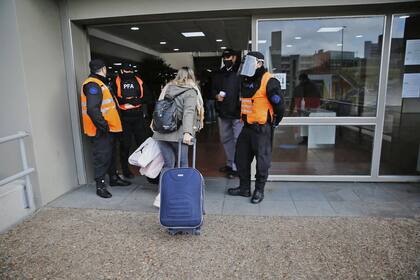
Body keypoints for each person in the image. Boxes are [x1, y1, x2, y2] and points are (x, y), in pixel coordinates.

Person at [227, 52, 284, 204]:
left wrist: (274, 122)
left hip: (262, 129)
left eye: (249, 62)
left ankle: (259, 190)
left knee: (262, 161)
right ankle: (244, 188)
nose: (246, 66)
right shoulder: (246, 80)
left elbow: (280, 105)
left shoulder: (269, 81)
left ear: (259, 63)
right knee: (241, 158)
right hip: (247, 128)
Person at [81, 59, 131, 199]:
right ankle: (100, 186)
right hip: (100, 129)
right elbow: (92, 109)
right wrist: (104, 126)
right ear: (103, 69)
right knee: (102, 157)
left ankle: (113, 178)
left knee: (110, 154)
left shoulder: (100, 83)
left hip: (109, 128)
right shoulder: (93, 84)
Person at [152, 67, 204, 170]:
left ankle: (166, 186)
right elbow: (188, 113)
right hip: (178, 135)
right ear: (192, 76)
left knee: (168, 165)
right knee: (182, 164)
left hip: (161, 133)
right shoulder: (191, 91)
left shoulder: (167, 88)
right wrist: (187, 133)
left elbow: (159, 108)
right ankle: (182, 186)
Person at [111, 62, 153, 178]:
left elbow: (149, 97)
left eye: (130, 71)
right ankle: (125, 170)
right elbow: (112, 98)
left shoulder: (138, 80)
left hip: (138, 117)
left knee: (143, 144)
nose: (129, 73)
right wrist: (124, 101)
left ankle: (148, 171)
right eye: (126, 71)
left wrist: (138, 101)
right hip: (124, 118)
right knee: (125, 145)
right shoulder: (116, 82)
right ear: (122, 71)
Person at [212, 48, 243, 179]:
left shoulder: (242, 72)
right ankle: (230, 164)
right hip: (223, 111)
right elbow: (213, 88)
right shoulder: (220, 73)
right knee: (225, 139)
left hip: (237, 113)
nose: (226, 60)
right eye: (224, 58)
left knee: (238, 140)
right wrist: (215, 96)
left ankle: (237, 167)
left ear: (235, 57)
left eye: (228, 57)